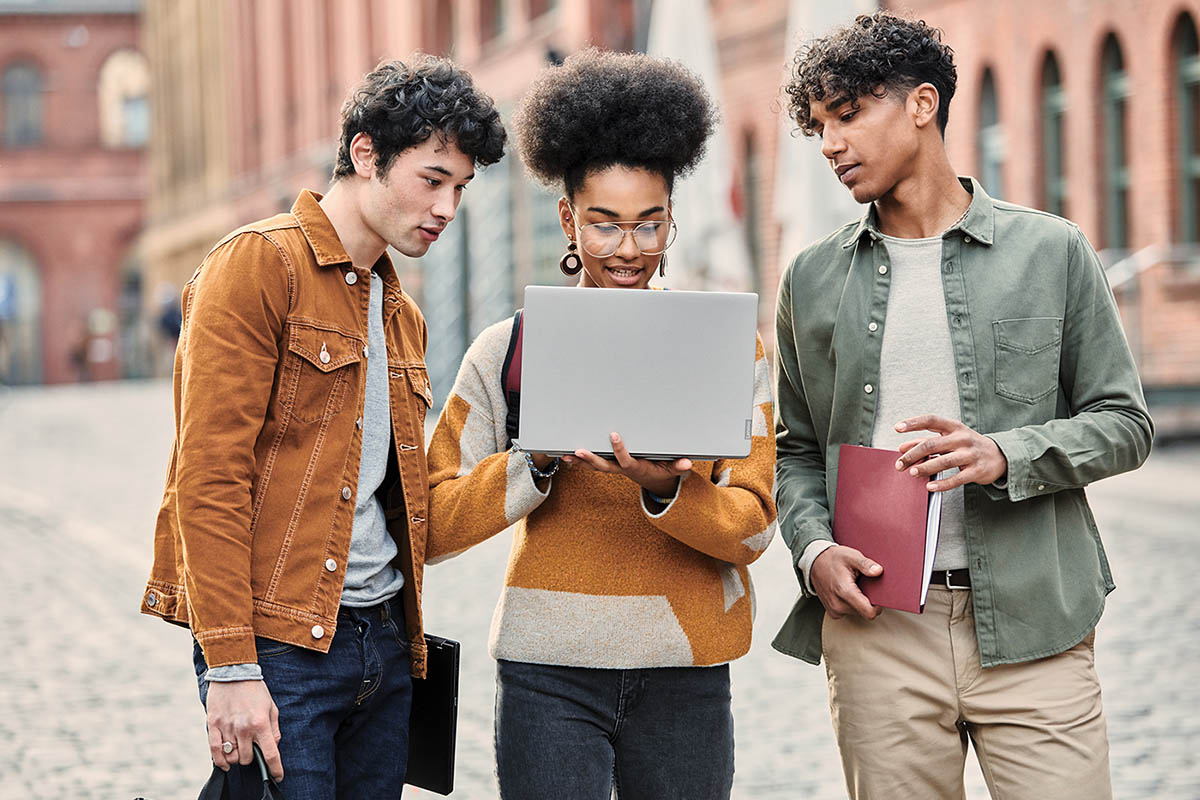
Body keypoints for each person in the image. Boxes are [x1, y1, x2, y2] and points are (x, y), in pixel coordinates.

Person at [770, 12, 1153, 799]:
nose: (831, 144)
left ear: (920, 104)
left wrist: (1006, 454)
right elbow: (796, 450)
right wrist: (813, 552)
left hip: (1034, 624)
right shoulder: (809, 280)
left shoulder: (1051, 252)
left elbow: (1126, 423)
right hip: (879, 633)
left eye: (848, 116)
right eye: (818, 128)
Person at [140, 56, 505, 797]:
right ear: (365, 153)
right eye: (432, 179)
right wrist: (231, 667)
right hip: (280, 649)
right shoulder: (257, 265)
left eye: (460, 189)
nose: (446, 208)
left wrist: (529, 466)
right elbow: (206, 480)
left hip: (385, 646)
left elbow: (404, 506)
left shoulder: (404, 316)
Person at [425, 49, 777, 800]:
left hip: (684, 669)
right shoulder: (508, 351)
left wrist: (664, 492)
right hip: (546, 671)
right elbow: (431, 525)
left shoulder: (726, 349)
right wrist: (537, 462)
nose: (629, 250)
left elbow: (752, 529)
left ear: (672, 220)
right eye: (605, 224)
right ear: (567, 219)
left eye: (650, 226)